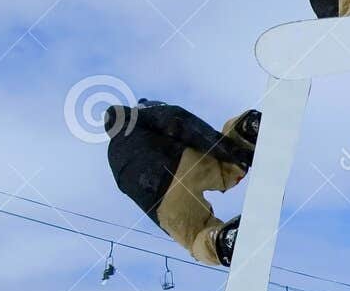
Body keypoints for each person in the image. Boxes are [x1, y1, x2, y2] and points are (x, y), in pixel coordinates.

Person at [103, 101, 258, 267]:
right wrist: (228, 148)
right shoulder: (142, 116)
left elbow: (137, 198)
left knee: (196, 236)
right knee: (223, 168)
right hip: (181, 161)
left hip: (161, 202)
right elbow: (178, 120)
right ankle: (244, 131)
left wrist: (171, 227)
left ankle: (222, 241)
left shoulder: (113, 159)